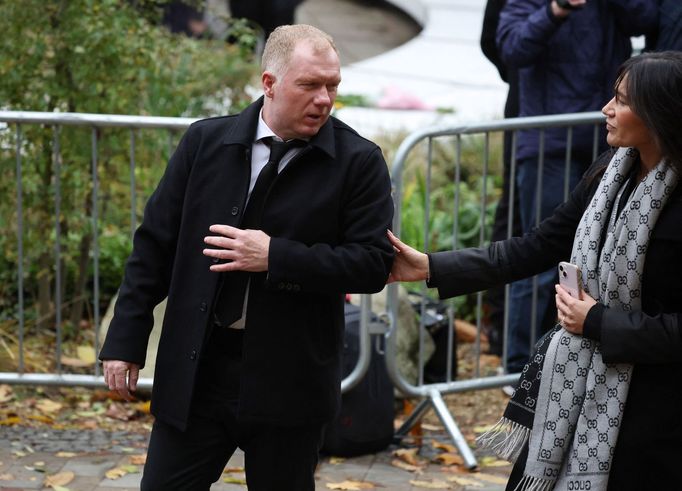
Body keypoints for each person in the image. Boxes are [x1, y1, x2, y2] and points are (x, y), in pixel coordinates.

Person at [99, 24, 394, 490]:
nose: (324, 99)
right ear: (269, 83)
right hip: (200, 369)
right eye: (310, 85)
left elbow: (373, 264)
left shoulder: (359, 161)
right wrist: (124, 340)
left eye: (332, 86)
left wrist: (276, 256)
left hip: (290, 377)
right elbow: (155, 245)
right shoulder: (205, 143)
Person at [387, 50, 682, 490]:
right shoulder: (610, 174)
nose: (606, 109)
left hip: (657, 418)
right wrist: (430, 267)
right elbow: (537, 246)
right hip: (576, 392)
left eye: (621, 101)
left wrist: (598, 321)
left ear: (660, 115)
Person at [496, 0, 657, 375]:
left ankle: (569, 360)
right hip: (547, 143)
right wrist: (557, 8)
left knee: (598, 260)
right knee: (540, 255)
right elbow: (512, 50)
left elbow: (647, 19)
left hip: (607, 146)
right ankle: (518, 366)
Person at [480, 0, 522, 357]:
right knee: (515, 219)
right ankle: (500, 325)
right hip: (529, 113)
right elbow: (493, 40)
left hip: (579, 117)